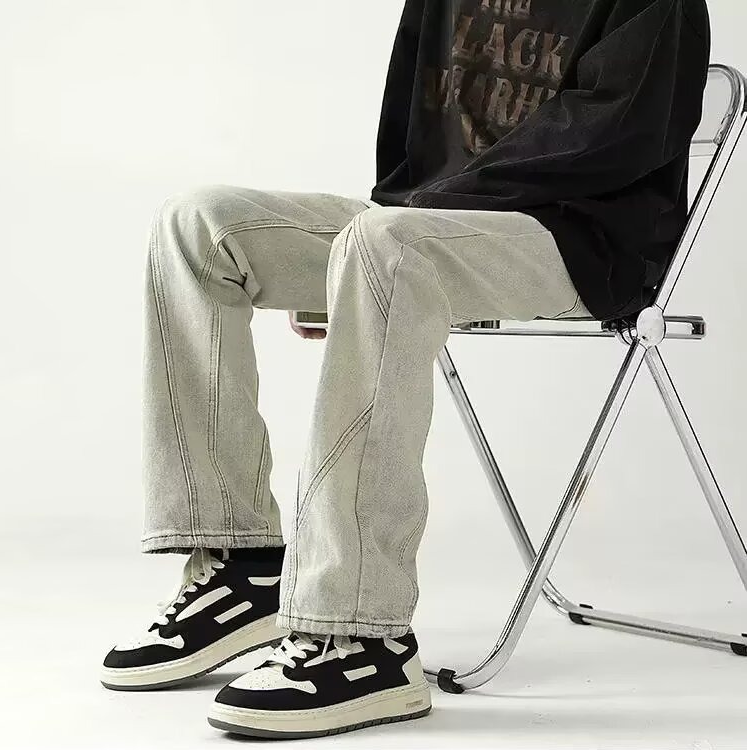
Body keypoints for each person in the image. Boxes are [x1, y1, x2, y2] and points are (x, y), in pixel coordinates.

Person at [100, 0, 710, 740]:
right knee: (197, 225)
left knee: (386, 246)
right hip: (426, 220)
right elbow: (412, 127)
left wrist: (385, 238)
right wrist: (366, 248)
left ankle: (362, 633)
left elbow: (616, 137)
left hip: (577, 239)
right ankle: (241, 566)